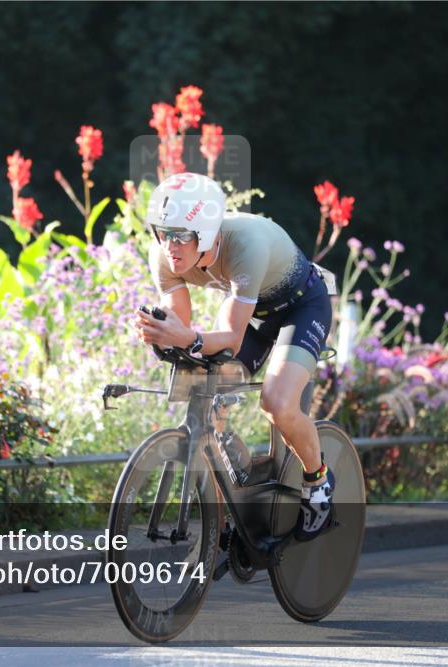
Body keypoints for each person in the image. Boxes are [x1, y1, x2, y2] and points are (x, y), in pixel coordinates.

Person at [134, 172, 335, 541]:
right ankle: (234, 503)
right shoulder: (163, 254)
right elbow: (181, 322)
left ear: (206, 234)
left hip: (301, 308)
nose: (169, 246)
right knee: (207, 399)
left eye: (180, 235)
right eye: (162, 232)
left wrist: (187, 337)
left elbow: (230, 336)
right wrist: (161, 331)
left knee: (277, 403)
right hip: (254, 313)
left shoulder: (246, 245)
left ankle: (318, 481)